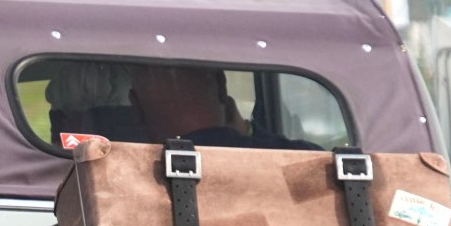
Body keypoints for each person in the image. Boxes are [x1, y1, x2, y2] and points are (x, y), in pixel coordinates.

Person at [127, 63, 320, 150]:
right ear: (222, 86)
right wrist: (247, 131)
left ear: (136, 108)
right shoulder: (304, 159)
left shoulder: (124, 179)